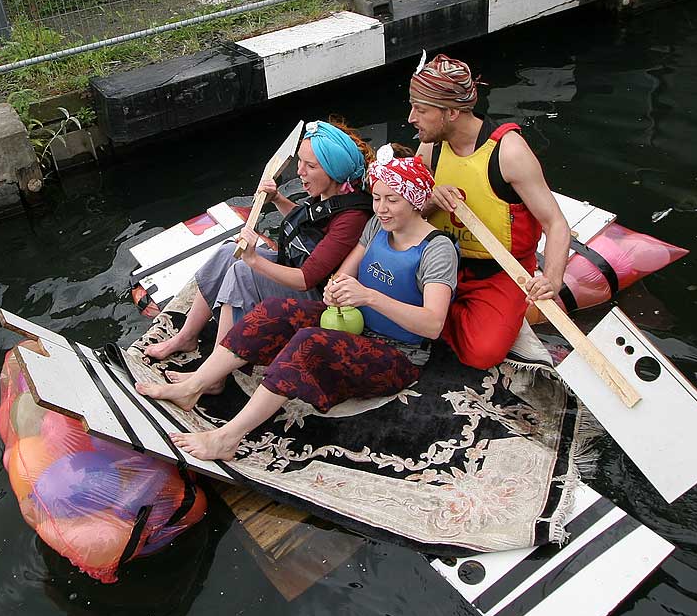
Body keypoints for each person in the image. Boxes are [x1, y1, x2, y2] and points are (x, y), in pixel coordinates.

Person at [136, 146, 458, 461]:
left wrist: (369, 296)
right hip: (355, 325)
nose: (381, 208)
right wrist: (335, 291)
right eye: (376, 198)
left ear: (415, 202)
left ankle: (226, 438)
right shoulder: (376, 226)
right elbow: (343, 276)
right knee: (274, 310)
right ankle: (195, 385)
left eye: (392, 200)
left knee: (308, 343)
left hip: (398, 355)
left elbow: (432, 324)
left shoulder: (436, 250)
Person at [143, 120, 374, 377]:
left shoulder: (351, 218)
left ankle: (213, 374)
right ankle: (185, 337)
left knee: (242, 271)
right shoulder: (328, 193)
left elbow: (305, 279)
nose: (300, 172)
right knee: (226, 252)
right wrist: (276, 198)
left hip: (321, 298)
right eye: (300, 162)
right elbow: (305, 224)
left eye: (311, 166)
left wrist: (254, 260)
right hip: (301, 269)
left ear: (334, 171)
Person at [408, 54, 571, 369]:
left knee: (482, 354)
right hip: (442, 261)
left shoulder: (509, 153)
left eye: (422, 110)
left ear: (452, 112)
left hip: (498, 271)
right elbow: (409, 211)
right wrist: (429, 200)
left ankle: (466, 320)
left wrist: (552, 279)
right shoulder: (430, 145)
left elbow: (556, 223)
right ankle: (447, 317)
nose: (412, 118)